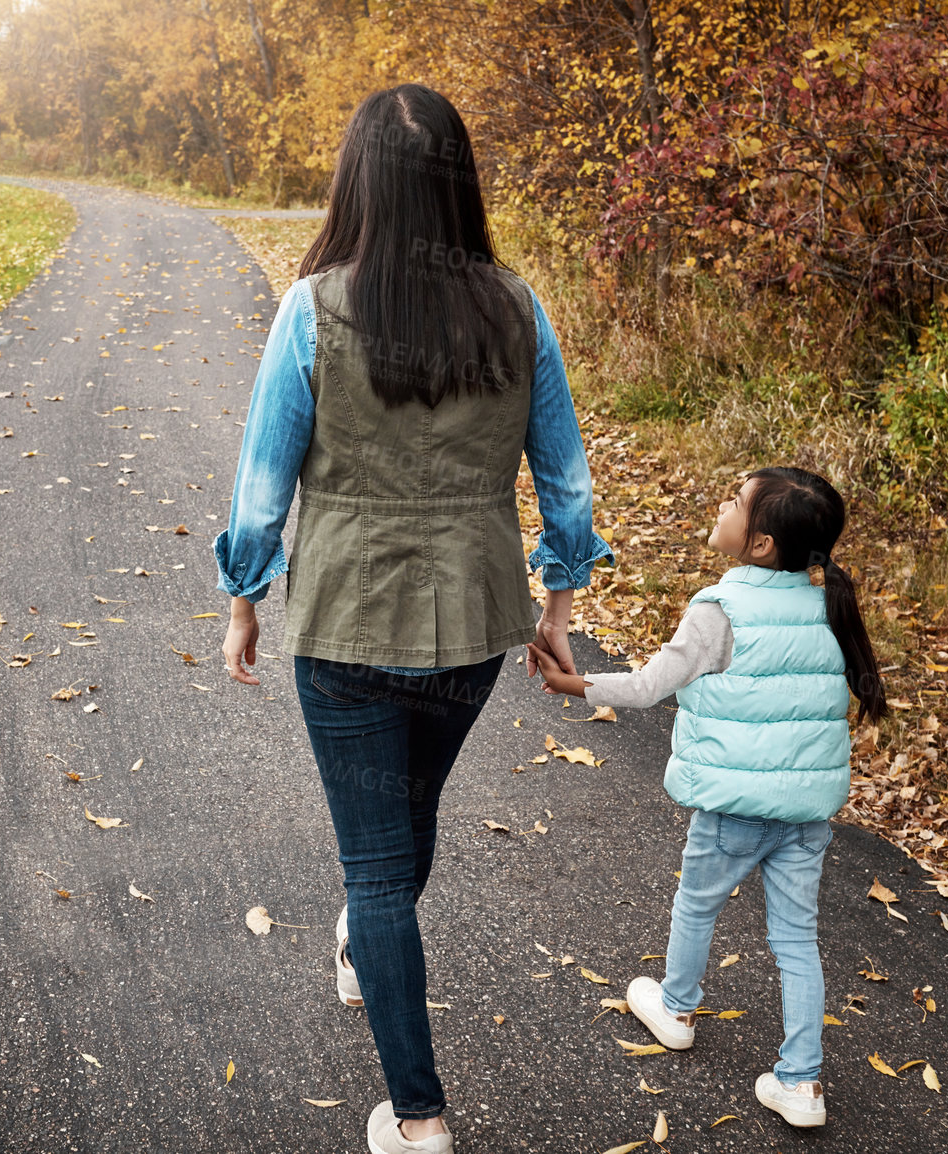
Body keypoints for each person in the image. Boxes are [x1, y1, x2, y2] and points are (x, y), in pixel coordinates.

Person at [215, 83, 614, 1154]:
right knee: (407, 818)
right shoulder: (517, 308)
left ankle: (421, 1113)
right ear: (459, 182)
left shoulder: (312, 308)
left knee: (379, 863)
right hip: (472, 618)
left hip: (346, 618)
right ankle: (367, 942)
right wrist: (560, 605)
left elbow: (262, 481)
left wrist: (243, 600)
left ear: (358, 182)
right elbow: (566, 484)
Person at [526, 466, 887, 1129]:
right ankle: (802, 1083)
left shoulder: (720, 610)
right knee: (797, 942)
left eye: (735, 500)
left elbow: (647, 686)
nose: (722, 504)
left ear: (760, 545)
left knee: (696, 905)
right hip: (805, 815)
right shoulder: (831, 609)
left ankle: (677, 1008)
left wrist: (570, 684)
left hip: (733, 808)